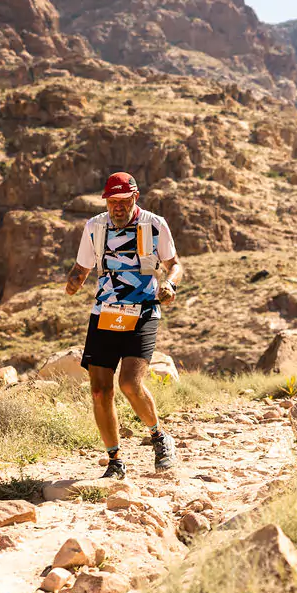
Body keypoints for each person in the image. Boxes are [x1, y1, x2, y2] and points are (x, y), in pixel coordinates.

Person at [64, 172, 183, 478]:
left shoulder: (155, 225)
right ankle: (115, 461)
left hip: (142, 311)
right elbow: (82, 266)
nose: (117, 207)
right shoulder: (95, 226)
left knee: (129, 383)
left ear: (135, 197)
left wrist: (169, 285)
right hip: (105, 313)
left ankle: (159, 437)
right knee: (100, 392)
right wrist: (74, 282)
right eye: (111, 201)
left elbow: (174, 265)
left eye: (122, 201)